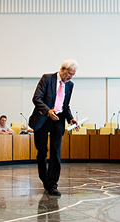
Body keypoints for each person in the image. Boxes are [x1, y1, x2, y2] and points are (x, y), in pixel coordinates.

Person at [29, 59, 79, 196]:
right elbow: (36, 98)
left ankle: (52, 185)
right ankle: (45, 180)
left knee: (56, 152)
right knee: (42, 152)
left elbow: (65, 105)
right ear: (62, 69)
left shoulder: (70, 85)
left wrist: (70, 118)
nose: (70, 77)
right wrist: (48, 111)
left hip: (58, 120)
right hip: (43, 118)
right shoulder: (47, 78)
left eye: (73, 75)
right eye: (69, 74)